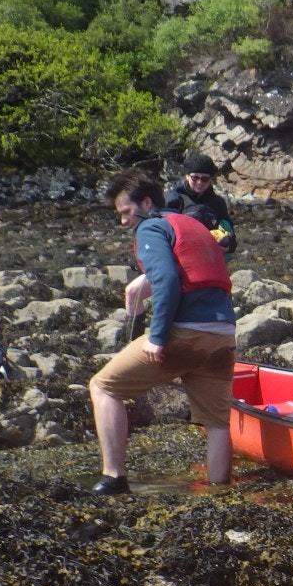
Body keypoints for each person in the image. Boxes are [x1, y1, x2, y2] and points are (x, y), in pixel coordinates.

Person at [87, 169, 237, 495]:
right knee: (216, 422)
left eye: (126, 212)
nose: (124, 221)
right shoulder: (193, 225)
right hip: (223, 333)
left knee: (103, 387)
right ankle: (219, 491)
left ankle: (114, 478)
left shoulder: (151, 226)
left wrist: (155, 337)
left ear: (145, 202)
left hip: (185, 334)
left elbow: (167, 280)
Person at [165, 152, 237, 254]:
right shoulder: (173, 199)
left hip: (210, 255)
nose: (199, 182)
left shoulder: (218, 202)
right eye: (195, 178)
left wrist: (228, 247)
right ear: (187, 176)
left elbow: (231, 236)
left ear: (210, 179)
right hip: (181, 254)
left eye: (205, 179)